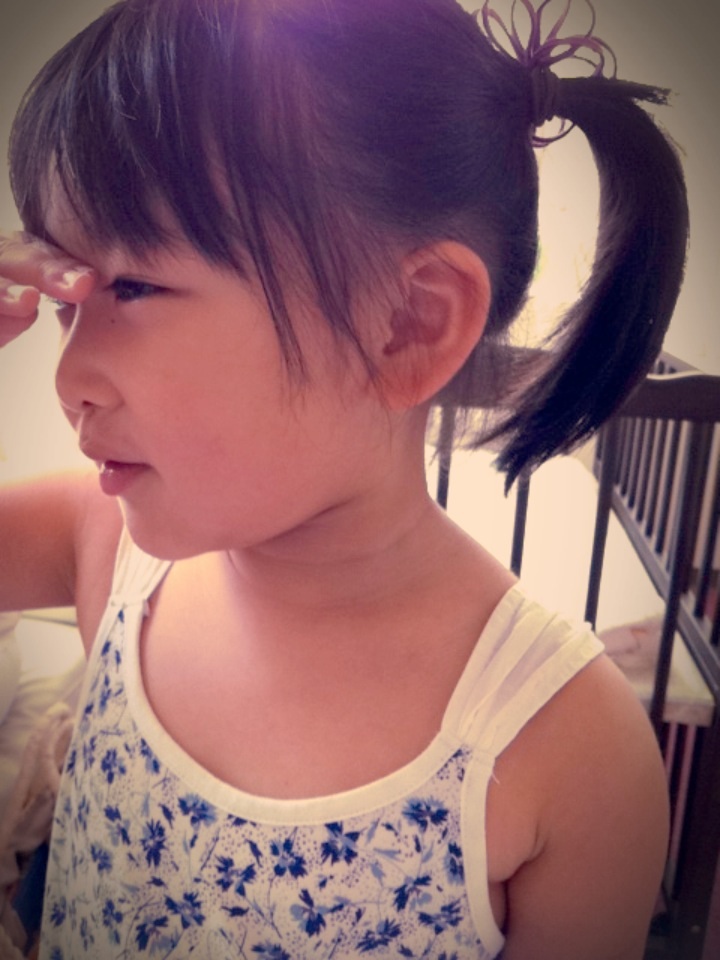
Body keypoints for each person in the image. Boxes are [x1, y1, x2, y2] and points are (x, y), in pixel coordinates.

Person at [0, 0, 688, 957]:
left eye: (134, 286)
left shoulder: (568, 751)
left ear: (406, 325)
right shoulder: (103, 544)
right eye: (67, 298)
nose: (69, 378)